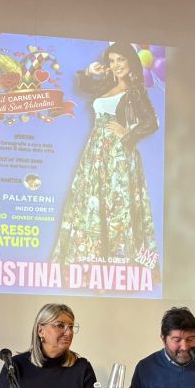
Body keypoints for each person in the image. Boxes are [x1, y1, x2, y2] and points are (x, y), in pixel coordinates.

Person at [51, 42, 160, 279]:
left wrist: (127, 135)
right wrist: (91, 72)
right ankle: (92, 267)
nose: (116, 65)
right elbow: (87, 86)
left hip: (119, 157)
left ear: (130, 61)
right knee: (89, 204)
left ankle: (121, 270)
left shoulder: (136, 91)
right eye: (112, 61)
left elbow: (151, 123)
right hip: (96, 154)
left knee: (118, 209)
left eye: (120, 60)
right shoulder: (106, 84)